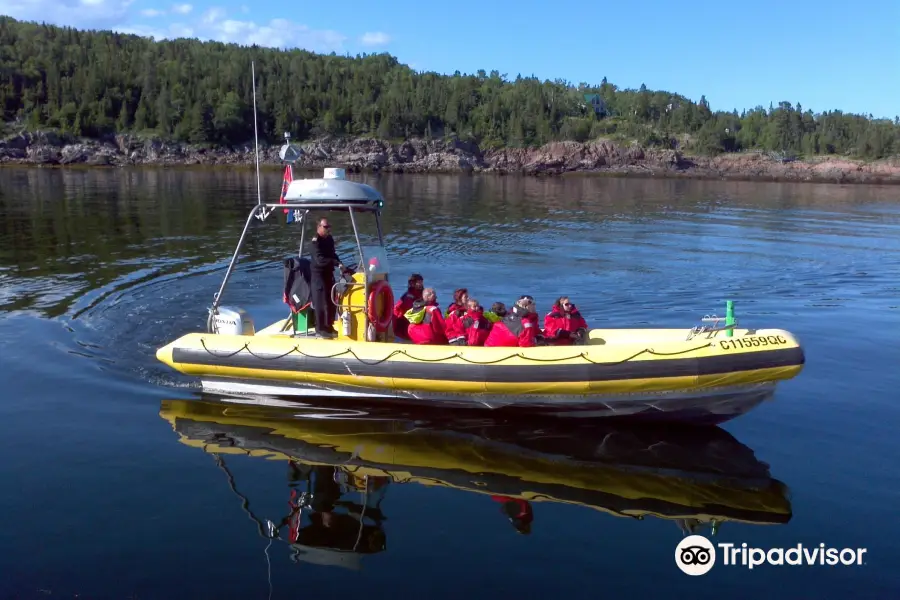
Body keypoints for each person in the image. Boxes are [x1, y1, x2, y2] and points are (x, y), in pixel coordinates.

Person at [309, 216, 346, 339]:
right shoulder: (315, 242)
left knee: (331, 301)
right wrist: (335, 263)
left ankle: (329, 326)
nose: (328, 229)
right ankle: (320, 329)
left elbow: (332, 253)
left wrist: (339, 263)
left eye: (328, 227)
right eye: (325, 227)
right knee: (321, 302)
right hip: (318, 276)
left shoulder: (329, 239)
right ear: (319, 227)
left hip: (328, 274)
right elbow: (320, 260)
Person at [392, 273, 424, 340]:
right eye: (419, 282)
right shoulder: (408, 296)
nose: (421, 284)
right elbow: (406, 310)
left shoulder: (421, 293)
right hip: (406, 322)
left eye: (421, 282)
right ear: (412, 284)